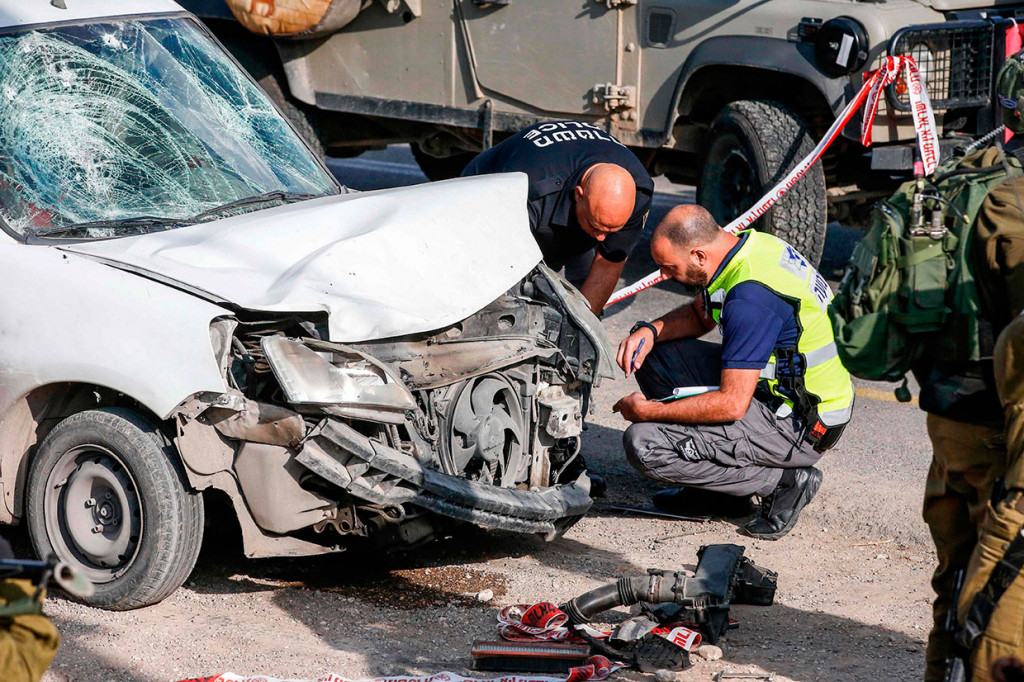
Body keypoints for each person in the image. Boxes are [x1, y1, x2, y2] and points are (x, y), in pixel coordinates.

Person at [612, 205, 854, 539]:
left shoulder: (751, 299)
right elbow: (701, 317)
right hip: (777, 393)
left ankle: (784, 483)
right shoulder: (743, 250)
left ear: (699, 256)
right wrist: (650, 331)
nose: (663, 276)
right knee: (655, 355)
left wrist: (648, 411)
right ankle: (720, 492)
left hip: (799, 424)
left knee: (644, 443)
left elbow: (730, 404)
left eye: (669, 267)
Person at [912, 53, 1024, 682]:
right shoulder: (1016, 202)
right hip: (999, 418)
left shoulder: (962, 176)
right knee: (999, 584)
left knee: (955, 572)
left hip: (947, 408)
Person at [462, 120, 654, 314]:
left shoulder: (638, 192)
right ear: (579, 195)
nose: (601, 238)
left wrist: (582, 326)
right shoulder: (530, 190)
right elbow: (498, 264)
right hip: (481, 192)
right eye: (597, 226)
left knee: (577, 304)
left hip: (563, 194)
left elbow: (608, 263)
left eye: (611, 230)